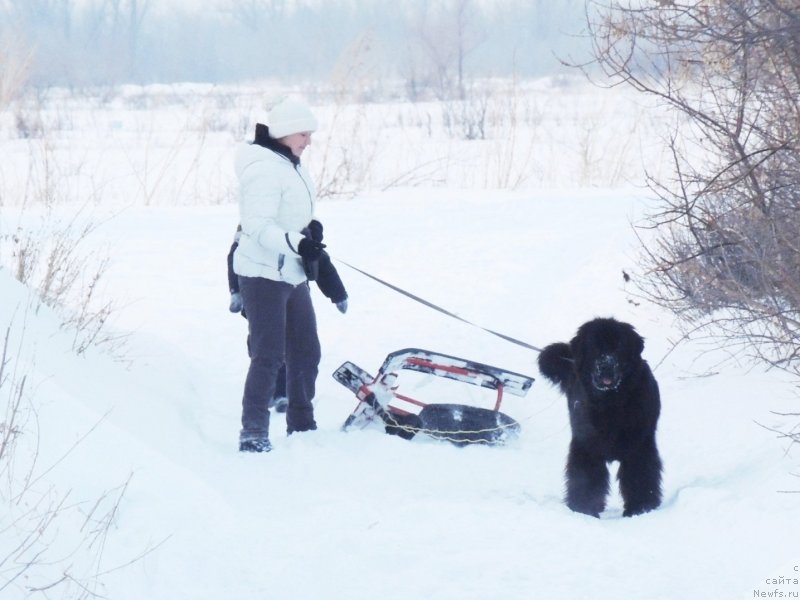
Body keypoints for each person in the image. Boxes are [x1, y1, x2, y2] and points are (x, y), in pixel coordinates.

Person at [232, 95, 334, 453]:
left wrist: (310, 229)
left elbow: (288, 212)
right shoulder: (263, 168)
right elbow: (258, 227)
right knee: (269, 355)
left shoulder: (290, 163)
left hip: (291, 272)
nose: (309, 141)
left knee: (307, 351)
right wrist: (297, 243)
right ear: (287, 132)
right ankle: (254, 432)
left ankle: (302, 424)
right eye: (304, 134)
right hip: (262, 275)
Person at [227, 225, 348, 414]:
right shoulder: (252, 230)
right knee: (268, 347)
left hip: (295, 296)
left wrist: (338, 294)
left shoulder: (297, 229)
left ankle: (288, 394)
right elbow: (236, 259)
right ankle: (270, 392)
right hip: (260, 294)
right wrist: (236, 293)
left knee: (301, 347)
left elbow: (322, 264)